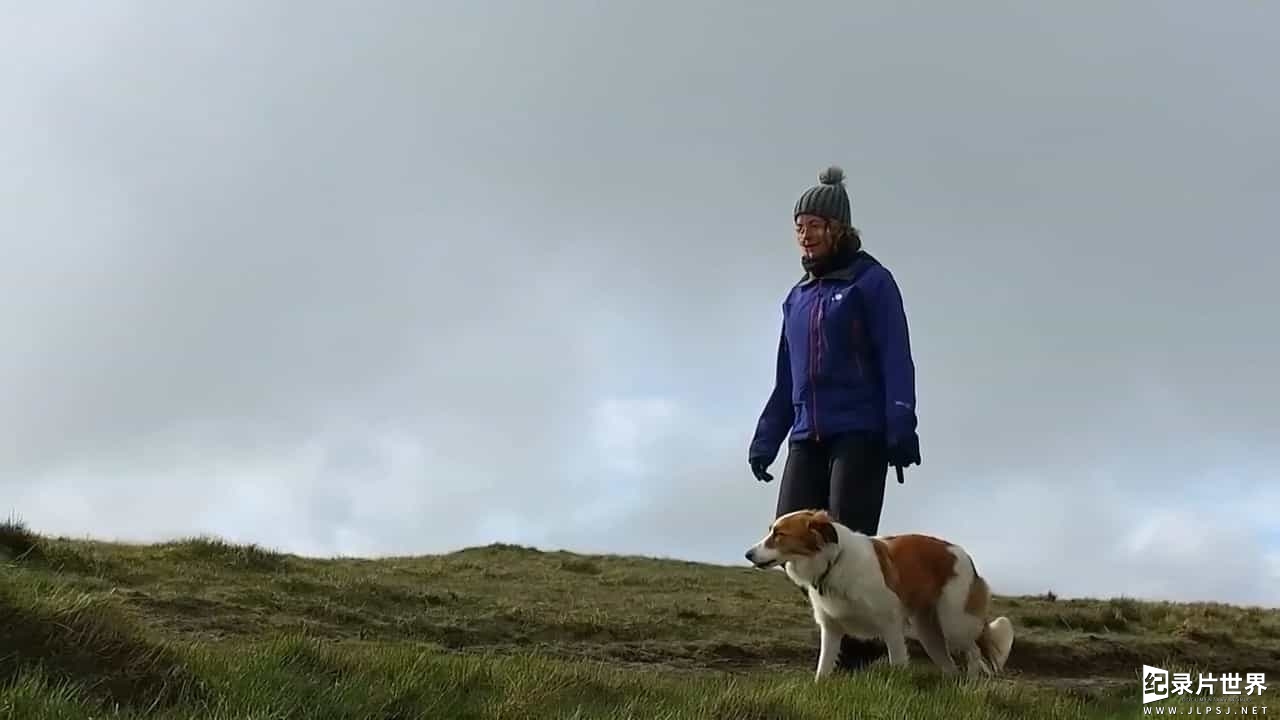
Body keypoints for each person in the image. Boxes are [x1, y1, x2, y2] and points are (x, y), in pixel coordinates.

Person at [747, 164, 922, 671]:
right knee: (789, 545)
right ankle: (837, 639)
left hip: (860, 432)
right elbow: (787, 381)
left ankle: (862, 653)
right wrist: (766, 440)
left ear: (840, 229)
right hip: (807, 433)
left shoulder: (872, 282)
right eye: (800, 226)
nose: (806, 234)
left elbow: (896, 356)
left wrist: (900, 424)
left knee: (849, 541)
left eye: (817, 225)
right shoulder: (797, 298)